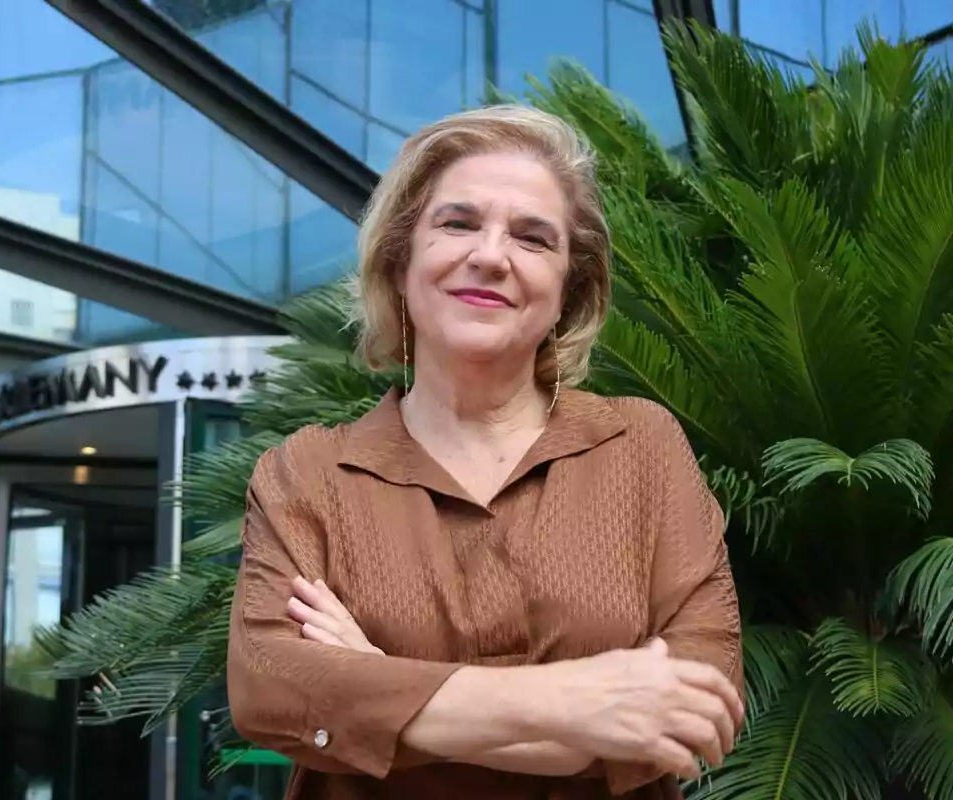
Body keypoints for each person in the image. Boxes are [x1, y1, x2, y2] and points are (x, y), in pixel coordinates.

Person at [226, 104, 744, 799]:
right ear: (401, 261)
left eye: (532, 238)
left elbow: (698, 701)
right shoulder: (307, 474)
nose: (491, 255)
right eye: (458, 223)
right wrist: (577, 702)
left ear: (568, 290)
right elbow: (272, 689)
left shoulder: (642, 447)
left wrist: (376, 689)